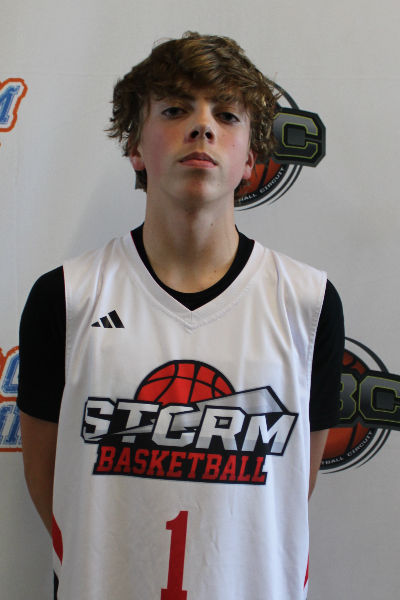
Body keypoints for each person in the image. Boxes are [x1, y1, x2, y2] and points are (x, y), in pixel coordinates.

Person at [18, 32, 344, 600]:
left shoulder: (308, 304)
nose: (202, 127)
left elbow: (291, 484)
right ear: (135, 147)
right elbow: (54, 487)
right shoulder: (66, 297)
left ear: (250, 159)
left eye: (226, 114)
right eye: (175, 110)